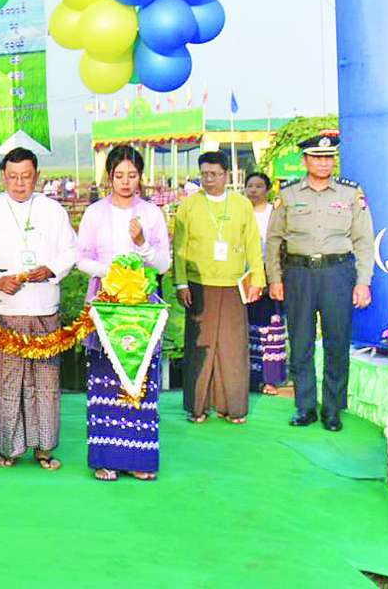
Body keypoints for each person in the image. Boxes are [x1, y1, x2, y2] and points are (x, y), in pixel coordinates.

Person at [0, 147, 76, 471]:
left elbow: (71, 250)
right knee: (8, 381)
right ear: (4, 176)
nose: (19, 184)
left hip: (44, 305)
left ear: (37, 176)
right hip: (6, 307)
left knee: (45, 381)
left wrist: (51, 269)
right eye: (13, 177)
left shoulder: (53, 210)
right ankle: (9, 448)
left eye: (26, 177)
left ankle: (44, 448)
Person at [265, 131, 375, 432]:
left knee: (337, 342)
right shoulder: (288, 194)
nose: (324, 163)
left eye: (329, 158)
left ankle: (332, 409)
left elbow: (364, 240)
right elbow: (273, 240)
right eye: (317, 158)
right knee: (300, 341)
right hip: (298, 274)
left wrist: (363, 281)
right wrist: (274, 278)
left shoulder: (350, 193)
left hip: (337, 273)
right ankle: (305, 406)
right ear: (305, 161)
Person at [75, 145, 172, 481]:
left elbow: (164, 263)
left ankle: (139, 458)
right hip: (106, 303)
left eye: (132, 175)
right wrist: (113, 274)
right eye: (119, 175)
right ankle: (106, 458)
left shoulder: (152, 213)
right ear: (109, 177)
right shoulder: (95, 213)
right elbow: (81, 258)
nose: (126, 182)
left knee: (140, 376)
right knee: (106, 376)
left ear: (140, 177)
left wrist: (142, 243)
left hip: (142, 306)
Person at [172, 151, 265, 426]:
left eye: (214, 174)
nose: (209, 179)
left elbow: (252, 244)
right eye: (204, 174)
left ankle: (232, 407)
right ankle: (197, 407)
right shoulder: (188, 206)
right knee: (200, 347)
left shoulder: (241, 204)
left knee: (232, 347)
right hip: (199, 285)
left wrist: (258, 280)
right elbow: (179, 248)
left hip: (233, 285)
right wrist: (181, 282)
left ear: (226, 175)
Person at [244, 171, 288, 393]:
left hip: (271, 274)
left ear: (268, 190)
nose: (253, 190)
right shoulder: (240, 212)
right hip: (245, 276)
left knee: (271, 326)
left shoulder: (275, 213)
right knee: (248, 326)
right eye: (250, 186)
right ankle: (249, 379)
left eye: (259, 186)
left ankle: (271, 379)